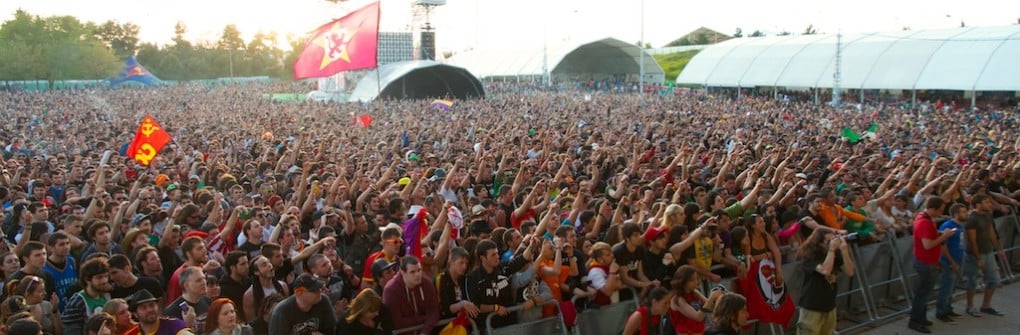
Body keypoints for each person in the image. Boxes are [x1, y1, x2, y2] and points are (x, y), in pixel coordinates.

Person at [795, 227, 854, 335]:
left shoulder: (833, 254)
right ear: (819, 243)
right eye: (828, 241)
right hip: (812, 307)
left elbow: (850, 272)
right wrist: (831, 250)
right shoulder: (808, 256)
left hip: (830, 306)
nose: (832, 244)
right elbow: (825, 270)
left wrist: (844, 251)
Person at [908, 197, 954, 334]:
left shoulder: (925, 219)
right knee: (923, 293)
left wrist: (939, 234)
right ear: (932, 209)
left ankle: (921, 317)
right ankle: (915, 321)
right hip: (925, 261)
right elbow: (927, 245)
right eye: (940, 210)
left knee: (925, 292)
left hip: (928, 260)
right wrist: (944, 236)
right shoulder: (924, 222)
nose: (941, 212)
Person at [963, 194, 1008, 317]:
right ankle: (970, 306)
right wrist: (978, 258)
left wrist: (999, 249)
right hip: (975, 255)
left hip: (988, 252)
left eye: (989, 202)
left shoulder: (988, 215)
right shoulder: (972, 219)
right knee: (972, 281)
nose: (989, 204)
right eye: (986, 202)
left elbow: (992, 233)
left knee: (994, 280)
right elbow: (972, 241)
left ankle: (986, 306)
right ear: (978, 205)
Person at [382, 256, 439, 334]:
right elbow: (398, 323)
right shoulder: (391, 290)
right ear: (402, 272)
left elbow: (434, 312)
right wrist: (425, 318)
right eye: (412, 272)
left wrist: (424, 332)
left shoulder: (427, 283)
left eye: (419, 270)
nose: (417, 275)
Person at [266, 274, 335, 335]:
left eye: (319, 288)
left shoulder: (323, 301)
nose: (319, 292)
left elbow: (332, 330)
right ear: (299, 292)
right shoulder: (281, 312)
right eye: (314, 290)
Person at [667, 265, 725, 335]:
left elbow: (711, 308)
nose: (696, 282)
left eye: (696, 279)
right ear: (683, 281)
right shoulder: (677, 299)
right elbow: (698, 317)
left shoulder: (694, 292)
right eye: (692, 280)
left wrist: (718, 298)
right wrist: (711, 298)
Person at [63, 257, 113, 335]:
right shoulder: (77, 303)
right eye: (99, 277)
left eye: (106, 276)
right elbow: (72, 331)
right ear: (87, 279)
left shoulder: (107, 295)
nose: (104, 281)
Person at [935, 203, 966, 323]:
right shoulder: (947, 226)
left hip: (958, 259)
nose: (966, 214)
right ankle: (941, 312)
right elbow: (943, 246)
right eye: (963, 212)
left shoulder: (960, 226)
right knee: (946, 288)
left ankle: (948, 308)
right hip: (948, 262)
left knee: (952, 288)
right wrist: (952, 261)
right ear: (956, 214)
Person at [122, 289, 193, 335]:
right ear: (135, 314)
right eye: (143, 307)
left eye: (152, 305)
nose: (149, 309)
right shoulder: (131, 333)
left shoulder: (172, 324)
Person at [241, 256, 288, 324]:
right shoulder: (249, 295)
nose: (269, 265)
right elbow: (251, 323)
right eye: (264, 265)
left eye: (269, 262)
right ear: (256, 272)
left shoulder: (283, 286)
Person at [164, 266, 211, 331]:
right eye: (198, 280)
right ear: (186, 285)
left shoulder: (207, 301)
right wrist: (187, 325)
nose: (204, 282)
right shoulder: (172, 312)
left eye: (204, 278)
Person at [42, 232, 76, 313]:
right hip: (58, 311)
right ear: (51, 248)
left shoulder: (72, 261)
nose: (66, 247)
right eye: (61, 244)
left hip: (74, 308)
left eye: (67, 243)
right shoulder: (44, 267)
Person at [217, 252, 249, 320]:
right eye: (243, 264)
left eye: (247, 263)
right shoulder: (224, 288)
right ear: (232, 267)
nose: (247, 266)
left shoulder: (248, 281)